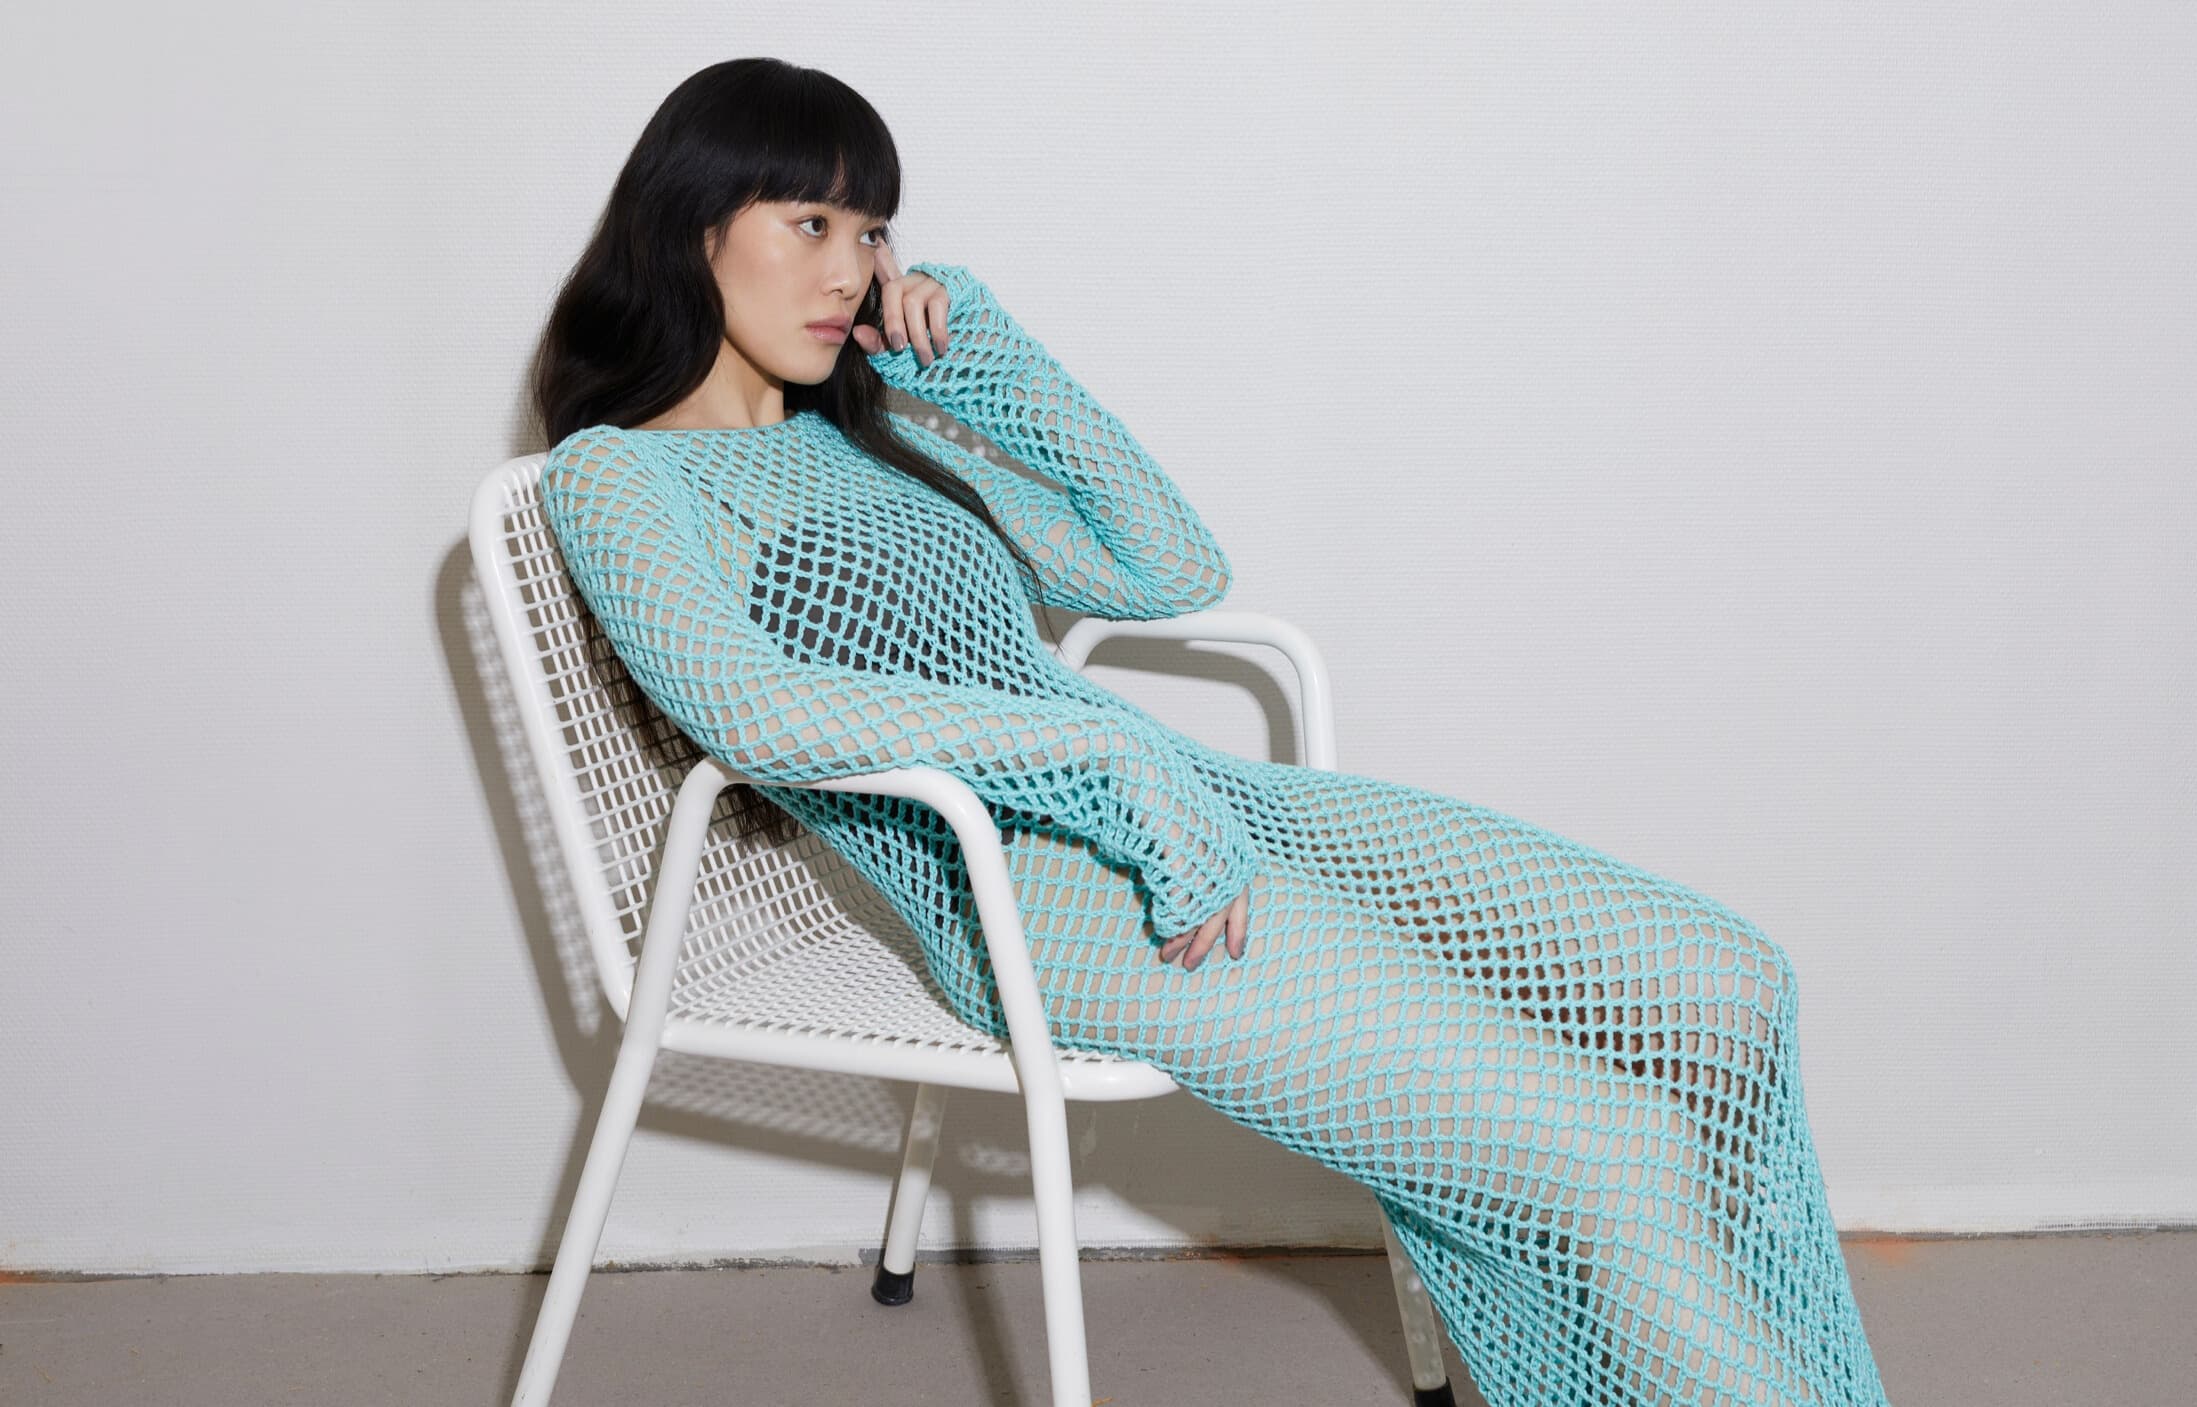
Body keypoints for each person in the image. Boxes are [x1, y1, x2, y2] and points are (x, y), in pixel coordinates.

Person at [529, 55, 1890, 1407]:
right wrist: (1101, 762)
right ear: (691, 229)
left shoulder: (866, 443)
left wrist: (981, 353)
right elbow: (758, 713)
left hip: (1204, 806)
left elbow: (1169, 563)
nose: (853, 270)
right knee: (1611, 1156)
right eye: (811, 223)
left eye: (873, 231)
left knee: (1729, 985)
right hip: (1043, 890)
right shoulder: (620, 475)